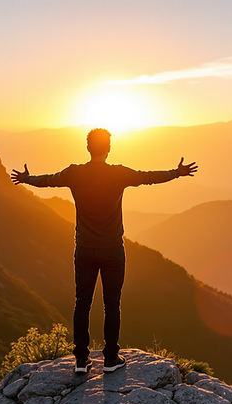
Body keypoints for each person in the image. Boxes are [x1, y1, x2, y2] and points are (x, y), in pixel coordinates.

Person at [11, 128, 198, 374]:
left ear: (88, 148)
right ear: (108, 148)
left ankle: (81, 360)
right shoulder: (118, 174)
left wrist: (26, 179)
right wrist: (177, 173)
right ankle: (110, 358)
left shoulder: (74, 173)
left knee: (82, 303)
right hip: (112, 251)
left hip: (85, 250)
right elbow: (148, 176)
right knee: (112, 304)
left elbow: (47, 180)